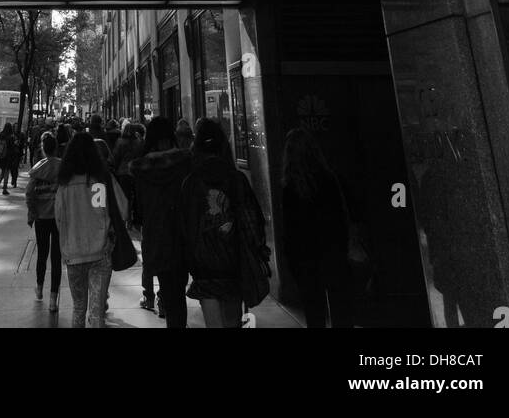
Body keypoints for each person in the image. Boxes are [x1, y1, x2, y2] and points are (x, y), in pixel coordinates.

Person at [180, 117, 268, 329]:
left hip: (204, 268)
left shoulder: (190, 183)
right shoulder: (237, 180)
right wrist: (258, 252)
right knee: (232, 321)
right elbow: (251, 223)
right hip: (233, 264)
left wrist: (190, 258)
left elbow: (185, 227)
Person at [54, 130, 128, 329]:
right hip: (100, 251)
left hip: (73, 252)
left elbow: (59, 218)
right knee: (96, 313)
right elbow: (123, 209)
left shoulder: (64, 184)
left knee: (78, 308)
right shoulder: (103, 180)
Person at [281, 128, 353, 329]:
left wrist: (291, 261)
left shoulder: (290, 188)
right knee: (341, 310)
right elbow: (341, 217)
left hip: (306, 259)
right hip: (332, 253)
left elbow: (290, 230)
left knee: (314, 313)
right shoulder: (329, 179)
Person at [131, 116, 192, 328]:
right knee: (179, 292)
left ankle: (166, 311)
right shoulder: (185, 163)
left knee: (167, 286)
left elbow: (138, 211)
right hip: (183, 236)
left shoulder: (142, 170)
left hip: (157, 237)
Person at [26, 131, 63, 313]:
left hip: (41, 217)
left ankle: (39, 288)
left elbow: (29, 193)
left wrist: (32, 213)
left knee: (42, 254)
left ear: (42, 148)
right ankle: (53, 299)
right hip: (58, 218)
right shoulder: (63, 167)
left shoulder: (38, 168)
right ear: (56, 148)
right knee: (57, 258)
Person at [112, 120, 143, 226]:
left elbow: (116, 157)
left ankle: (126, 217)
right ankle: (135, 218)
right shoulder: (138, 142)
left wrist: (115, 168)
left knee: (125, 196)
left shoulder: (120, 142)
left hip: (123, 172)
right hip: (135, 172)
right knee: (136, 195)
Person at [0, 122, 18, 195]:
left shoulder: (1, 134)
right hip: (7, 157)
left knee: (2, 173)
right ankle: (4, 189)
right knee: (5, 173)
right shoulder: (11, 137)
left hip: (1, 157)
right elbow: (12, 148)